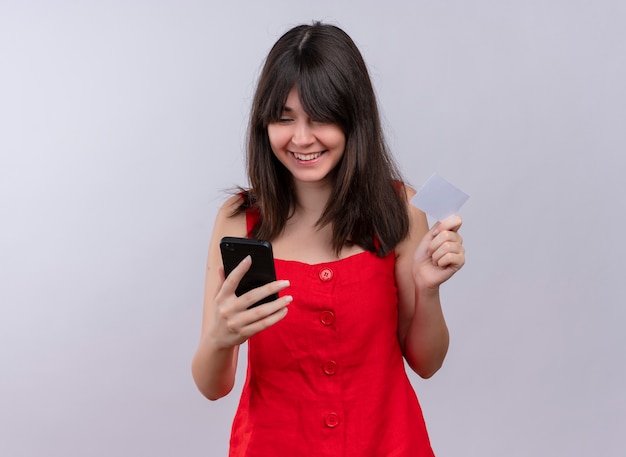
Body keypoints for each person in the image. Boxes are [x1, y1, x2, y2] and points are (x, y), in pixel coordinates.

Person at [192, 21, 465, 456]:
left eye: (320, 118)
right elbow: (213, 386)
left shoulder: (400, 209)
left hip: (388, 444)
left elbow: (427, 364)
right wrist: (220, 337)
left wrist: (428, 290)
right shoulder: (237, 220)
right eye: (284, 119)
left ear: (353, 118)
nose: (301, 138)